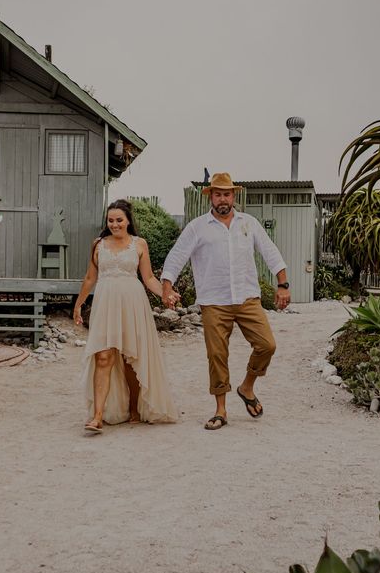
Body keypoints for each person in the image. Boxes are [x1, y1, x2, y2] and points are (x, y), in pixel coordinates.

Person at [160, 172, 290, 430]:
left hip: (247, 297)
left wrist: (283, 284)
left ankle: (247, 387)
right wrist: (166, 286)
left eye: (227, 194)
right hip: (214, 301)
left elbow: (270, 251)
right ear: (211, 197)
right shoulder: (197, 227)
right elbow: (177, 257)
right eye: (218, 194)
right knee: (217, 354)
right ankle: (221, 410)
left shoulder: (248, 223)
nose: (222, 199)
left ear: (234, 196)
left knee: (267, 345)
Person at [74, 200, 179, 433]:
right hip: (105, 303)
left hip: (132, 302)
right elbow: (90, 278)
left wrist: (166, 292)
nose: (114, 224)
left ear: (128, 220)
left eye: (119, 220)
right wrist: (79, 305)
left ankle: (134, 407)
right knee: (103, 355)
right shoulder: (98, 245)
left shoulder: (139, 244)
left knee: (131, 357)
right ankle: (97, 416)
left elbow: (149, 277)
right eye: (110, 220)